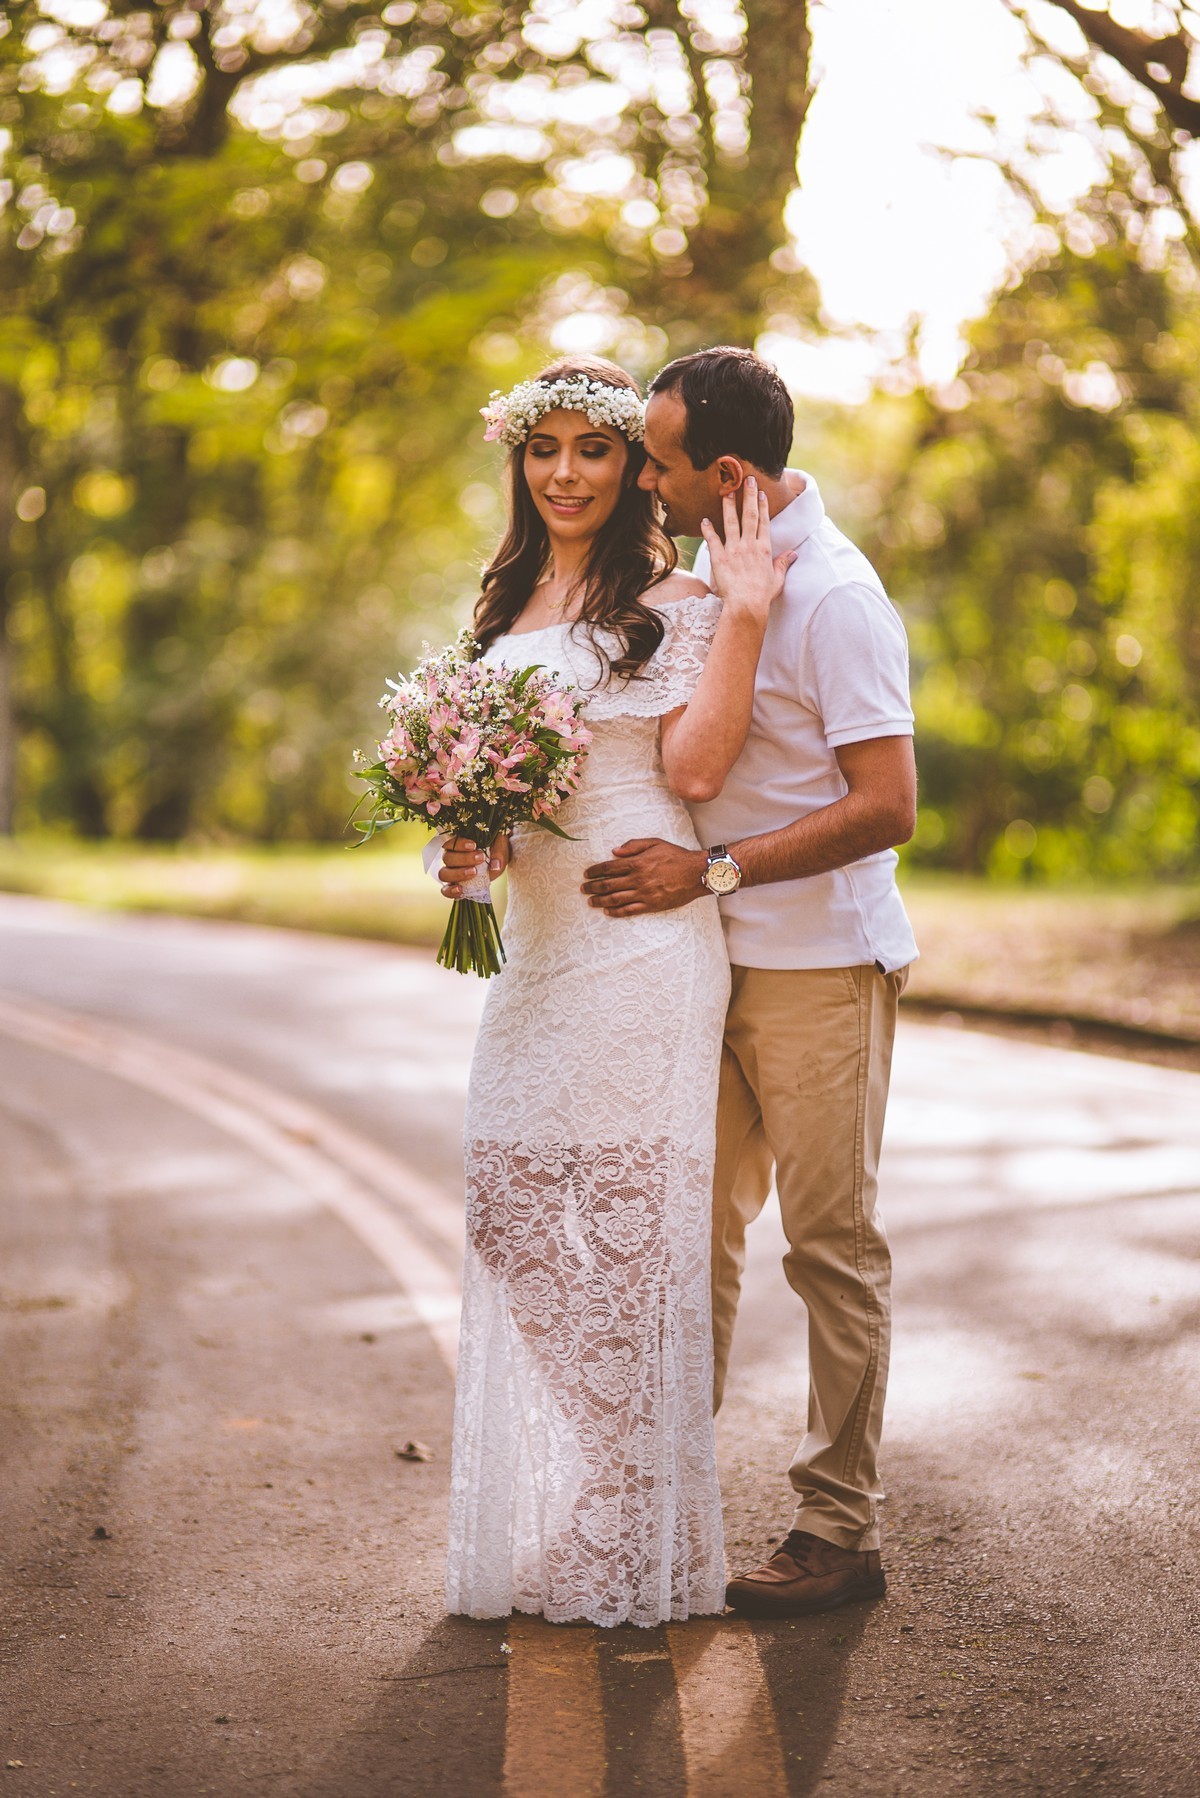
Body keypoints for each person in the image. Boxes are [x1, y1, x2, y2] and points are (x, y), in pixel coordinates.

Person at [437, 355, 793, 1627]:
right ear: (519, 464)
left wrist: (743, 615)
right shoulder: (503, 605)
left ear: (629, 468)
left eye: (594, 450)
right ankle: (618, 1478)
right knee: (515, 1216)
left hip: (642, 938)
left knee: (629, 1240)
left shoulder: (678, 599)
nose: (568, 474)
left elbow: (696, 766)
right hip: (533, 948)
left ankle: (629, 1516)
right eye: (545, 452)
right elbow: (486, 814)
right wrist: (461, 849)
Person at [582, 347, 918, 1619]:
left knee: (830, 1248)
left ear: (725, 473)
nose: (641, 479)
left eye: (656, 460)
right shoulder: (714, 582)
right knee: (689, 1241)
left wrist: (709, 872)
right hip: (706, 973)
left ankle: (841, 1528)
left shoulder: (835, 598)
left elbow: (888, 807)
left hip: (822, 969)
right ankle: (664, 1509)